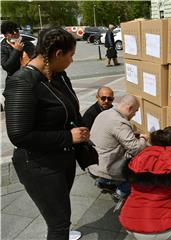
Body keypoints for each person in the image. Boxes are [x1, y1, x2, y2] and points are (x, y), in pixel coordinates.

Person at [3, 27, 87, 240]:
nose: (72, 61)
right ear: (58, 54)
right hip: (39, 166)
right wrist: (69, 137)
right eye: (71, 55)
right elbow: (19, 135)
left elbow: (69, 109)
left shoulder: (57, 75)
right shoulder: (22, 82)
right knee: (58, 224)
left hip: (61, 158)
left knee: (61, 212)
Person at [88, 94, 148, 199]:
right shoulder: (120, 122)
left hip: (93, 164)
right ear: (130, 108)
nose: (134, 115)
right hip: (106, 169)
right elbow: (136, 149)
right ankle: (121, 191)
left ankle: (104, 182)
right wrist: (143, 138)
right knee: (142, 164)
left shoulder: (105, 113)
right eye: (135, 111)